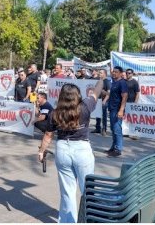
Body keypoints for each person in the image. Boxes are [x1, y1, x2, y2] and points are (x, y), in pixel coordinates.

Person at [38, 78, 104, 223]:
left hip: (63, 149)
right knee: (88, 189)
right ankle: (89, 220)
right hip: (81, 149)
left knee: (67, 191)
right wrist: (101, 79)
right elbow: (96, 92)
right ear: (77, 96)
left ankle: (68, 222)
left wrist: (42, 151)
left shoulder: (54, 113)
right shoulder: (85, 106)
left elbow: (48, 135)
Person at [106, 66, 128, 157]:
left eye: (115, 72)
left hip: (117, 110)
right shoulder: (114, 83)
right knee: (113, 129)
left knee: (117, 129)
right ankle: (113, 147)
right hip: (112, 109)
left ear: (120, 73)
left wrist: (121, 110)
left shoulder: (122, 83)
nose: (113, 73)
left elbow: (125, 96)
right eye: (113, 72)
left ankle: (118, 149)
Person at [92, 69, 111, 136]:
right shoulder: (99, 81)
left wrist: (104, 100)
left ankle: (104, 129)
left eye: (101, 73)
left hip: (104, 101)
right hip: (98, 100)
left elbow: (109, 93)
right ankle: (97, 128)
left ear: (105, 74)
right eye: (99, 73)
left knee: (104, 115)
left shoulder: (107, 82)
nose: (99, 74)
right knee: (98, 114)